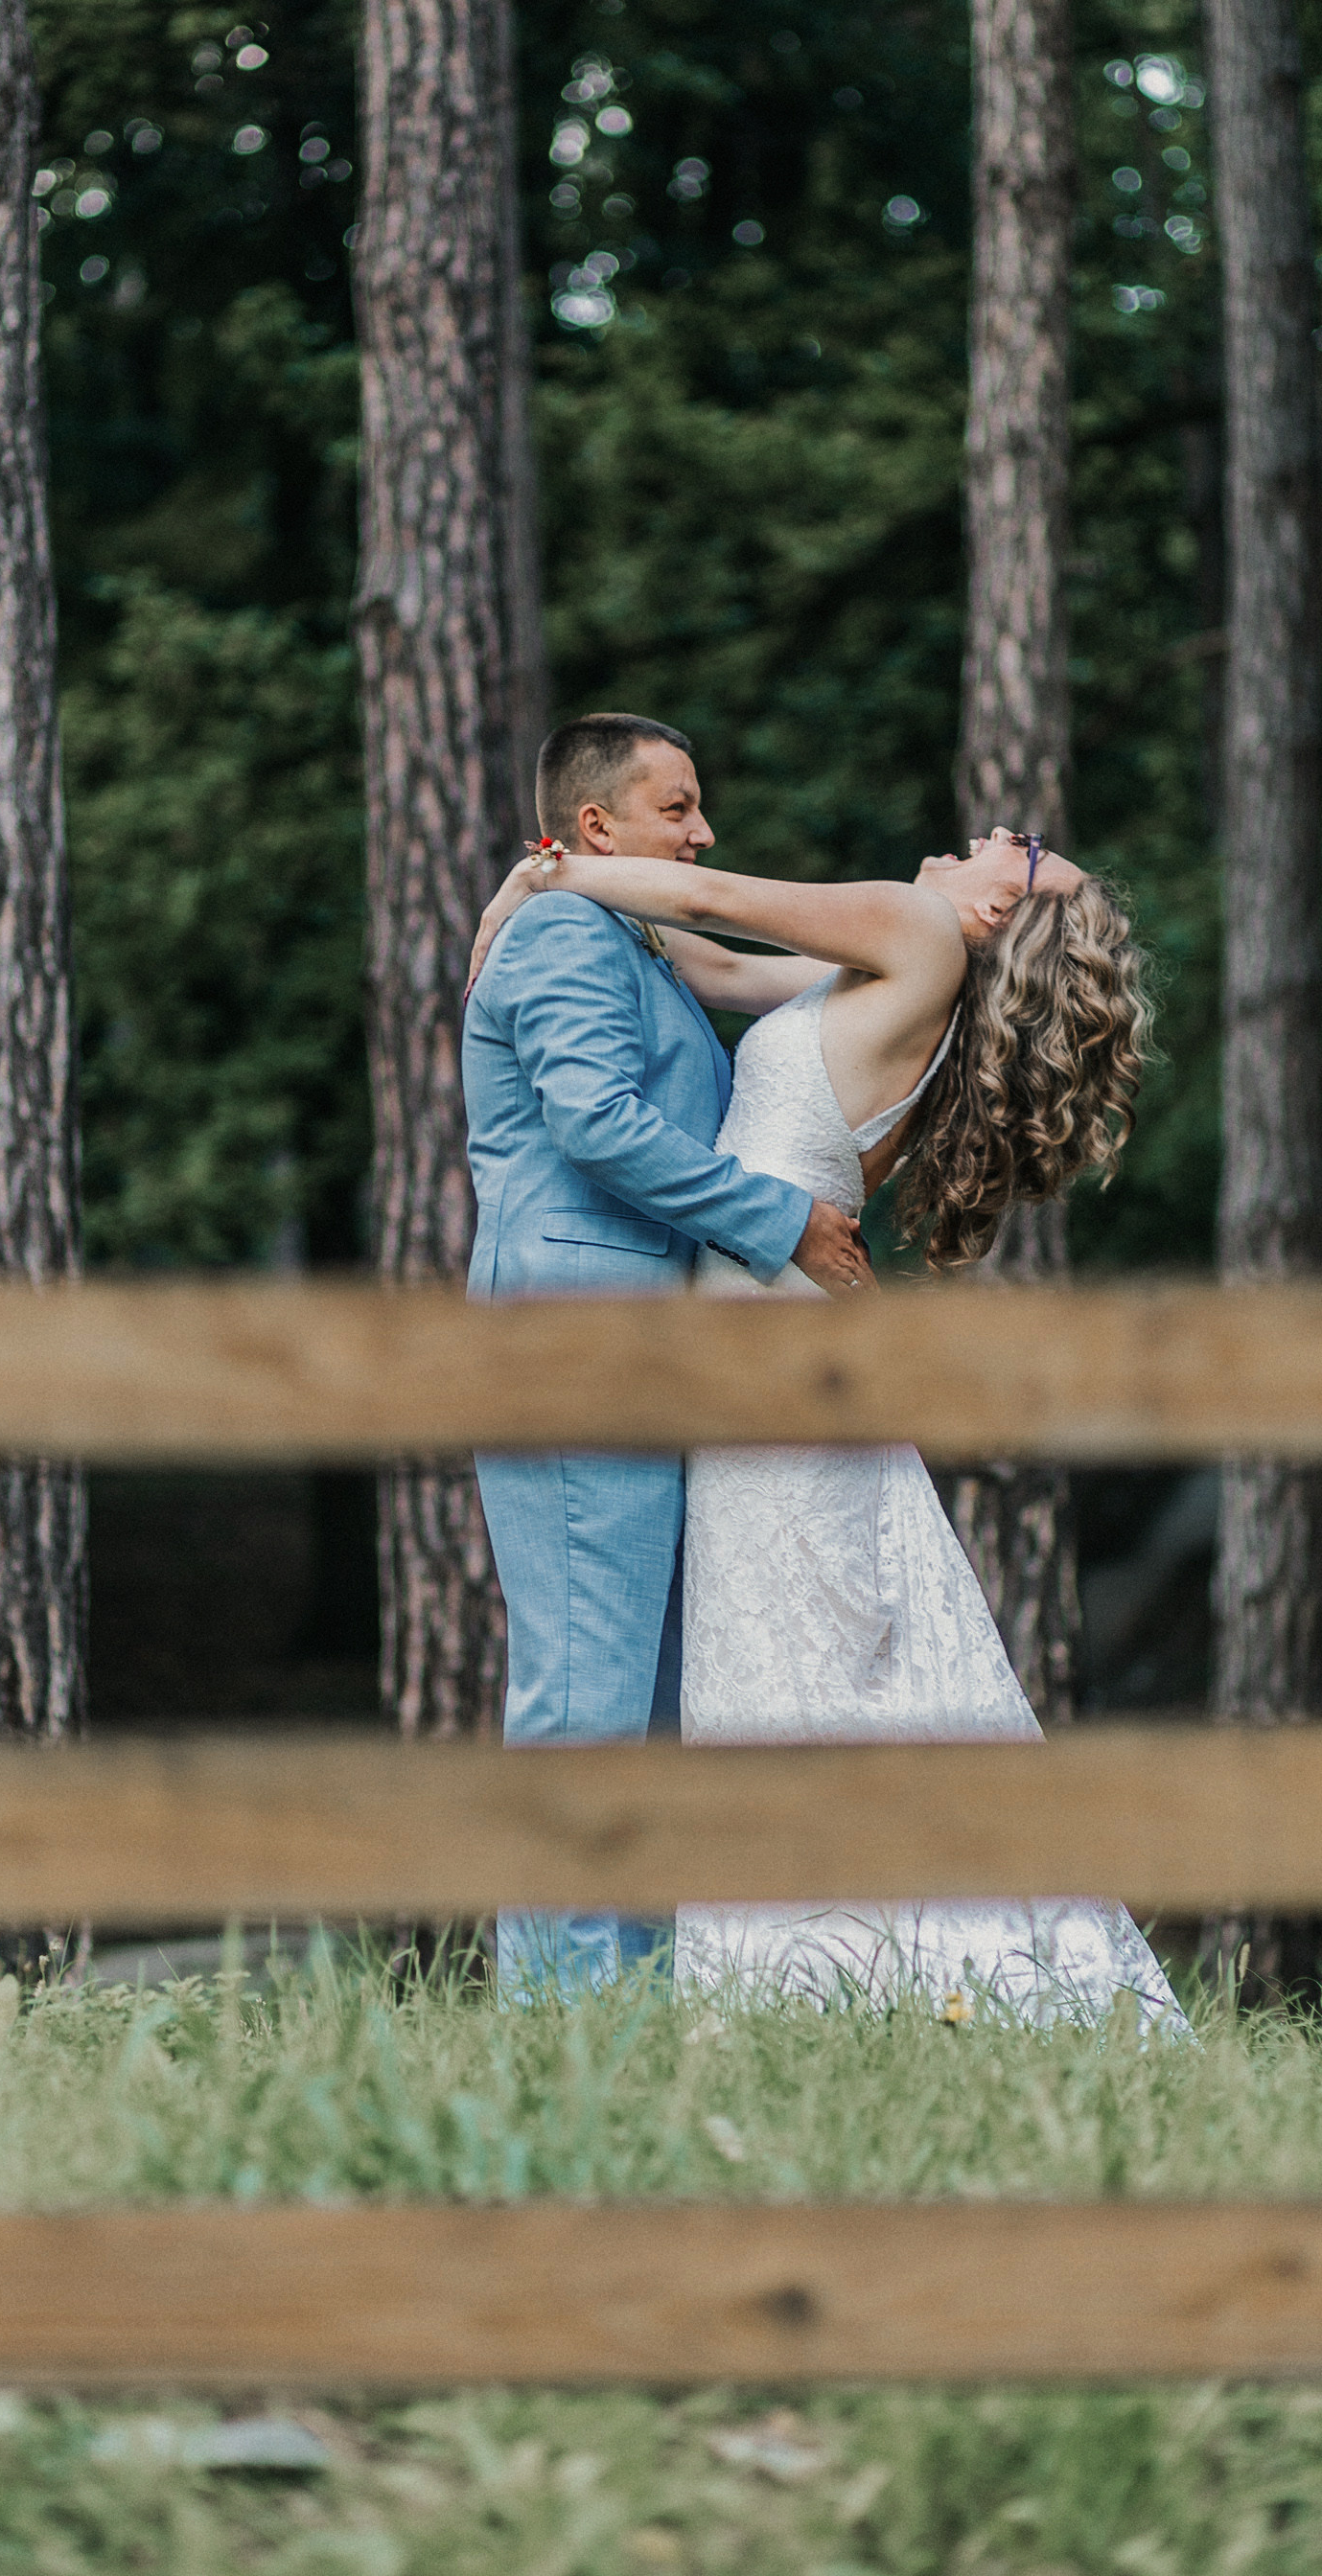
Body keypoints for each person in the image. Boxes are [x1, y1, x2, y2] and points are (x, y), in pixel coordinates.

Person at [470, 811, 1187, 2031]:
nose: (997, 830)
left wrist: (541, 874)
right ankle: (836, 1954)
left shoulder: (913, 927)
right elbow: (715, 965)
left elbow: (713, 902)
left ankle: (811, 1964)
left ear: (997, 911)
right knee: (813, 1634)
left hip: (763, 1327)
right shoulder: (912, 977)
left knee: (790, 1635)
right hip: (780, 1322)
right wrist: (563, 902)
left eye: (1020, 851)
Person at [461, 713, 876, 1999]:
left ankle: (630, 2011)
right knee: (582, 1704)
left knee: (637, 1704)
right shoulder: (566, 936)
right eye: (678, 808)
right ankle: (558, 2023)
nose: (702, 832)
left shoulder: (619, 933)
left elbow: (760, 986)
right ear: (598, 825)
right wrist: (780, 1221)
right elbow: (594, 1122)